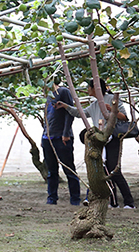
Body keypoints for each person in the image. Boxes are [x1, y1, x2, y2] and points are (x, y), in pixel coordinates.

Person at [56, 78, 135, 209]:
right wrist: (65, 106)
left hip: (112, 139)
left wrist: (112, 110)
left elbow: (125, 118)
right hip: (100, 140)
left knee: (114, 170)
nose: (87, 89)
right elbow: (80, 113)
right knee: (104, 170)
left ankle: (129, 203)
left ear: (96, 88)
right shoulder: (94, 105)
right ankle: (113, 202)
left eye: (89, 87)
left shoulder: (110, 98)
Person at [42, 80, 81, 205]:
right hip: (48, 137)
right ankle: (52, 198)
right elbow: (47, 117)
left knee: (69, 169)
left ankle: (75, 199)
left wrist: (65, 133)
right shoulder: (48, 95)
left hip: (62, 137)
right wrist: (44, 134)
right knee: (51, 170)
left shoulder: (63, 91)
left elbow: (70, 112)